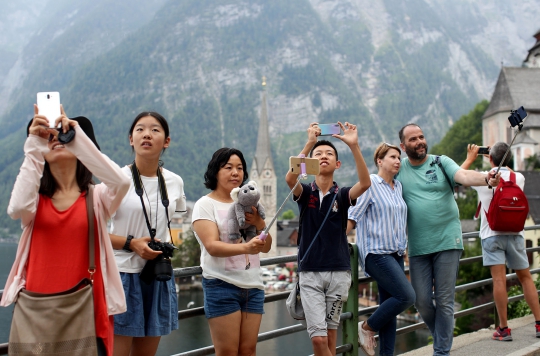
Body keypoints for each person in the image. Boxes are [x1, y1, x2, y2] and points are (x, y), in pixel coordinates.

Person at [1, 105, 130, 356]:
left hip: (87, 312)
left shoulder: (98, 197)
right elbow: (16, 208)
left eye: (62, 134)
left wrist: (77, 138)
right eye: (49, 136)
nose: (57, 138)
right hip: (36, 314)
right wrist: (33, 145)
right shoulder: (34, 201)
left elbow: (121, 181)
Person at [396, 123, 499, 355]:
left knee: (444, 300)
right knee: (421, 300)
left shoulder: (441, 162)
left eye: (421, 136)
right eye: (413, 139)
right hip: (418, 246)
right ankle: (442, 336)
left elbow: (463, 175)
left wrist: (486, 178)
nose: (419, 141)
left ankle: (441, 351)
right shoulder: (399, 168)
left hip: (447, 242)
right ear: (403, 146)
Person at [285, 122, 371, 356]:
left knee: (331, 336)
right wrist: (310, 142)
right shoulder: (306, 193)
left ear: (337, 164)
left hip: (338, 273)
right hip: (310, 273)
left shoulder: (341, 195)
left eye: (329, 154)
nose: (324, 156)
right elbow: (290, 179)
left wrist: (354, 146)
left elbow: (365, 184)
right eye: (319, 154)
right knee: (319, 341)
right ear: (311, 162)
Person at [109, 112, 187, 356]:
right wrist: (131, 243)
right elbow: (92, 231)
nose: (147, 134)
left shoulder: (175, 182)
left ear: (166, 141)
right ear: (131, 138)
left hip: (157, 275)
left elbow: (174, 221)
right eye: (140, 129)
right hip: (121, 274)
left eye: (155, 130)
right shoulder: (116, 179)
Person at [192, 147, 272, 355]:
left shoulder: (249, 204)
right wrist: (246, 247)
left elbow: (268, 246)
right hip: (221, 286)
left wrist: (260, 223)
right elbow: (212, 246)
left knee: (248, 351)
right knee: (227, 352)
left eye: (239, 168)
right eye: (228, 167)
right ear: (215, 172)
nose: (235, 172)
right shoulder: (205, 204)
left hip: (253, 286)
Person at [462, 143, 540, 341]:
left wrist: (471, 157)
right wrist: (503, 159)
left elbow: (459, 176)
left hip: (491, 235)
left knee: (499, 280)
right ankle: (539, 324)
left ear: (490, 158)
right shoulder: (518, 178)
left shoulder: (484, 178)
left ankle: (504, 329)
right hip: (515, 234)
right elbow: (509, 172)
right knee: (525, 278)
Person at [347, 142, 415, 356]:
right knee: (406, 296)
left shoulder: (398, 187)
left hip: (395, 254)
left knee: (390, 308)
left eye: (398, 157)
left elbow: (398, 220)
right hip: (375, 254)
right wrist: (335, 240)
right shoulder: (370, 185)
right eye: (392, 157)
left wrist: (403, 248)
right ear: (379, 161)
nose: (397, 161)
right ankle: (366, 327)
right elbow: (352, 217)